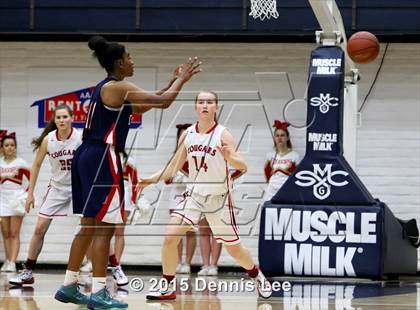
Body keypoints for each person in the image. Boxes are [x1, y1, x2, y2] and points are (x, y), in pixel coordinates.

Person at [54, 35, 201, 309]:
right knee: (104, 228)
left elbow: (147, 104)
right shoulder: (119, 86)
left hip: (86, 156)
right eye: (130, 57)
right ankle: (99, 292)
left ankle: (68, 285)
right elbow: (164, 102)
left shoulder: (106, 88)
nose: (133, 61)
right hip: (102, 157)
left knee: (88, 226)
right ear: (120, 63)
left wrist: (171, 83)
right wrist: (183, 81)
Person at [139, 91, 272, 300]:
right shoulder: (188, 134)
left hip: (218, 199)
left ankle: (257, 275)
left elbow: (243, 165)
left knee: (235, 250)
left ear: (216, 107)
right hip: (194, 196)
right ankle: (167, 286)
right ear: (195, 107)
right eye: (201, 101)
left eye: (210, 102)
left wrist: (231, 158)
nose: (205, 105)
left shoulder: (223, 133)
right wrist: (150, 179)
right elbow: (173, 167)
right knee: (169, 236)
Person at [9, 104, 82, 285]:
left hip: (79, 187)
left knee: (88, 228)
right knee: (40, 227)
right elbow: (36, 165)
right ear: (54, 120)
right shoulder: (49, 140)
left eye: (65, 117)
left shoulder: (80, 137)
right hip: (57, 187)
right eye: (58, 117)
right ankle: (28, 271)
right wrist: (30, 194)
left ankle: (110, 266)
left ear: (72, 118)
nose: (61, 120)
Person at [165, 123, 196, 275]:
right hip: (175, 195)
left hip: (191, 195)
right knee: (175, 231)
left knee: (190, 230)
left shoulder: (196, 154)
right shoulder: (174, 156)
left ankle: (187, 263)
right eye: (181, 136)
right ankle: (176, 262)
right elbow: (166, 178)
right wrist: (173, 177)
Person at [0, 133, 30, 272]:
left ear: (15, 147)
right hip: (2, 200)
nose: (10, 148)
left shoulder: (21, 162)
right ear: (2, 147)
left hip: (16, 199)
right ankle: (7, 260)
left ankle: (13, 261)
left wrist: (25, 196)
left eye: (12, 145)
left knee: (14, 233)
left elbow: (32, 181)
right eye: (7, 145)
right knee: (5, 233)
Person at [263, 120, 299, 201]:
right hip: (271, 191)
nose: (279, 138)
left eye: (282, 135)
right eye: (277, 135)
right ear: (274, 138)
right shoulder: (270, 155)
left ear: (287, 137)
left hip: (287, 190)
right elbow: (267, 172)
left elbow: (297, 176)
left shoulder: (295, 155)